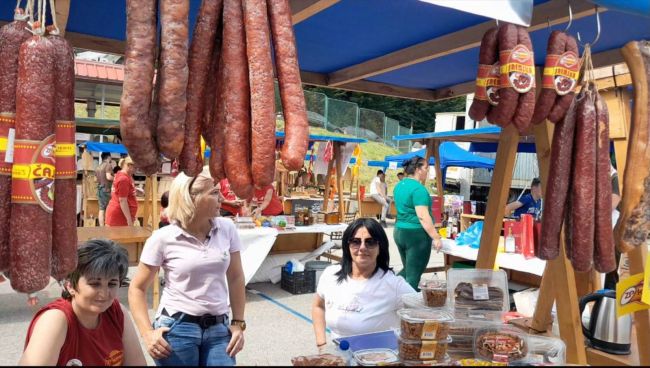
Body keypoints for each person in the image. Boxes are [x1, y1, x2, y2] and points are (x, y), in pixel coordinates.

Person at [128, 166, 246, 366]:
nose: (222, 198)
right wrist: (147, 333)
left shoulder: (226, 228)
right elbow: (137, 288)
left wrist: (238, 323)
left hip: (219, 328)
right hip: (177, 328)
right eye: (215, 193)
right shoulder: (163, 238)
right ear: (192, 197)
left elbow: (236, 277)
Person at [19, 239, 146, 366]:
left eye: (112, 284)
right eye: (95, 284)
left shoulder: (117, 313)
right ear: (69, 285)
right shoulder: (55, 320)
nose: (104, 293)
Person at [312, 218, 414, 349]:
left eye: (370, 242)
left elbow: (427, 315)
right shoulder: (330, 274)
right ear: (347, 245)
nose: (362, 248)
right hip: (338, 359)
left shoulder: (394, 285)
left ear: (380, 247)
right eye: (355, 241)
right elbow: (318, 307)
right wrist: (322, 344)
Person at [393, 156, 443, 291]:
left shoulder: (399, 185)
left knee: (409, 269)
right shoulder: (418, 189)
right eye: (426, 168)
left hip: (399, 231)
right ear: (418, 169)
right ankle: (406, 302)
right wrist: (436, 237)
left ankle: (389, 289)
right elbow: (422, 216)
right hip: (416, 235)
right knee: (414, 274)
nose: (427, 171)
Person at [105, 157, 138, 227]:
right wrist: (129, 220)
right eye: (136, 167)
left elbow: (121, 191)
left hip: (119, 214)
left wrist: (134, 190)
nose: (137, 170)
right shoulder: (124, 179)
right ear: (129, 165)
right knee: (117, 237)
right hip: (119, 216)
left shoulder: (121, 175)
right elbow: (122, 200)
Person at [95, 152, 115, 226]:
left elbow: (95, 180)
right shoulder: (108, 165)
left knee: (101, 209)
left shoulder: (98, 167)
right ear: (108, 157)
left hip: (99, 189)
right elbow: (108, 177)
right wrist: (116, 178)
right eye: (110, 157)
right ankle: (107, 225)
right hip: (106, 190)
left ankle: (102, 227)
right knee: (108, 209)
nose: (111, 159)